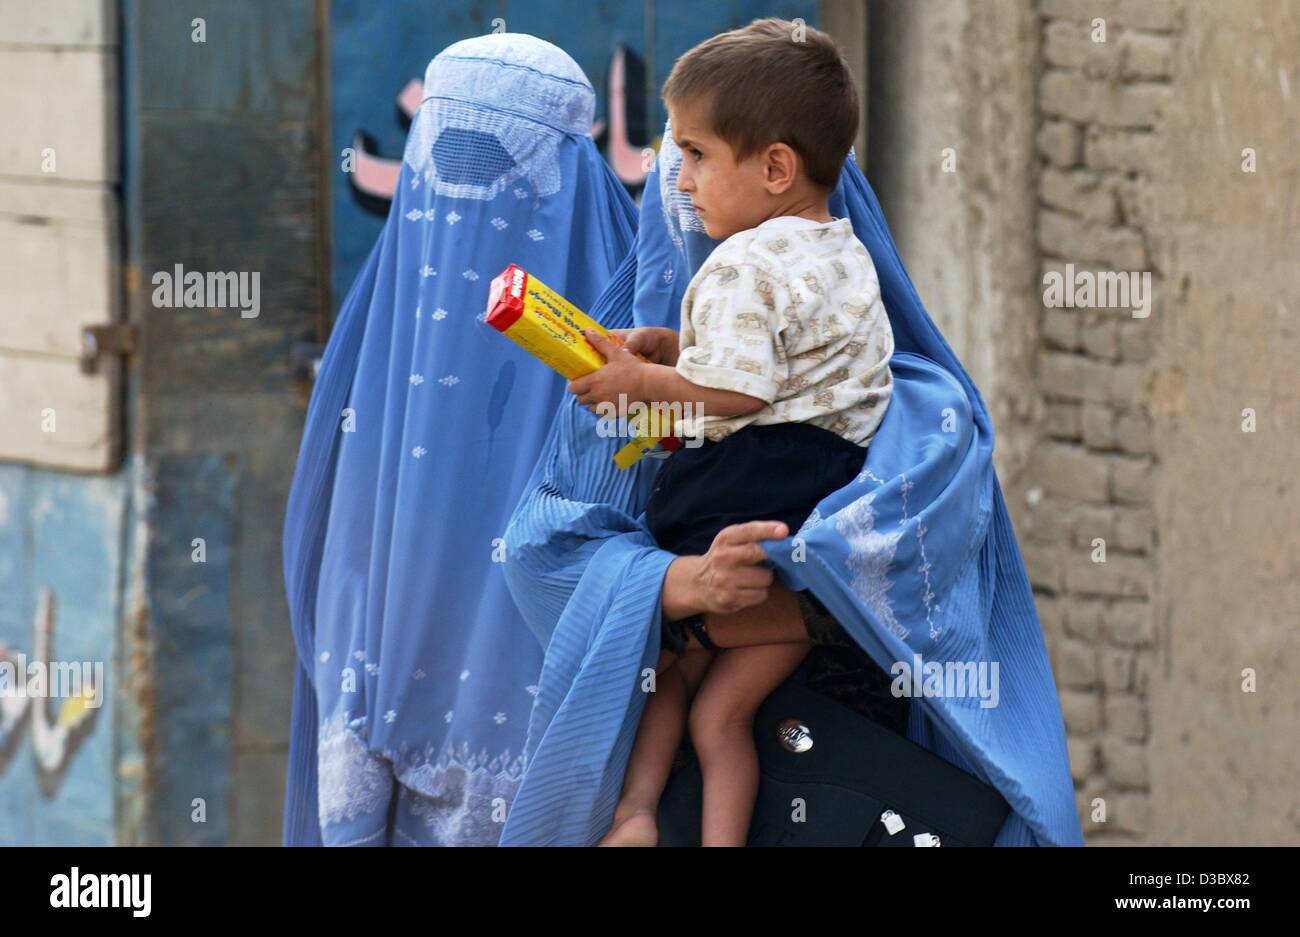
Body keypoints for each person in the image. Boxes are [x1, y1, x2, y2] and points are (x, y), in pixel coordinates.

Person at [496, 21, 1083, 849]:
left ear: (782, 174)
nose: (686, 199)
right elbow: (540, 559)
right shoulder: (625, 383)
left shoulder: (924, 410)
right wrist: (684, 584)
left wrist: (784, 587)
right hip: (690, 774)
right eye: (674, 175)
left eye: (697, 163)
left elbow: (922, 588)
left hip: (855, 763)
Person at [280, 33, 638, 846]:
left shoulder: (642, 354)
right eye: (449, 170)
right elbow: (340, 578)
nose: (471, 211)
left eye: (500, 172)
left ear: (570, 175)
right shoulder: (373, 359)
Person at [565, 20, 895, 846]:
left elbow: (738, 394)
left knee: (665, 662)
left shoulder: (741, 263)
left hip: (752, 486)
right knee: (722, 715)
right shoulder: (842, 249)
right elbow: (779, 366)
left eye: (697, 155)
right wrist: (676, 351)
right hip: (822, 512)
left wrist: (640, 382)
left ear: (776, 166)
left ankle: (635, 813)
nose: (680, 183)